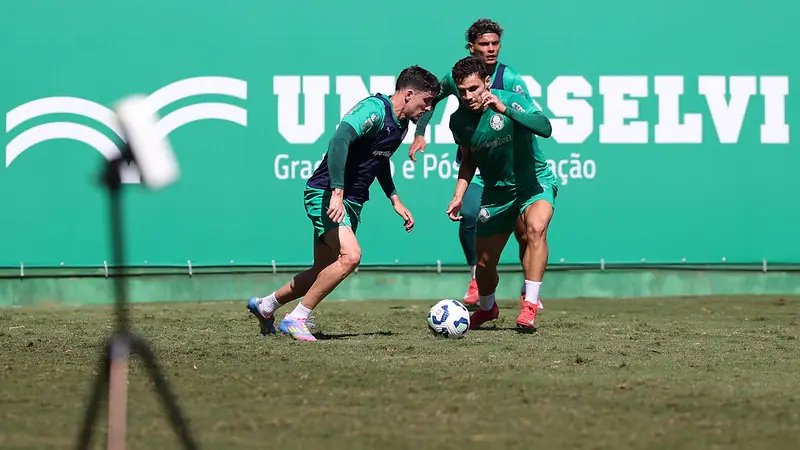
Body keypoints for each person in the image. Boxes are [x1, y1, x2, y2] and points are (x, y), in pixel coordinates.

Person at [247, 65, 441, 341]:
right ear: (409, 94)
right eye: (427, 101)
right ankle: (297, 318)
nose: (429, 108)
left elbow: (380, 160)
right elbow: (339, 140)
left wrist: (394, 199)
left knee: (321, 271)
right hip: (326, 194)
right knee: (351, 256)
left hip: (352, 201)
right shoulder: (374, 109)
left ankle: (266, 306)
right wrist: (337, 193)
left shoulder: (402, 125)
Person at [408, 18, 537, 307]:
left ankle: (528, 290)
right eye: (484, 44)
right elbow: (430, 100)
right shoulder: (458, 78)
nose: (491, 49)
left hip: (511, 169)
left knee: (525, 230)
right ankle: (476, 278)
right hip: (477, 165)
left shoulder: (512, 81)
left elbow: (529, 119)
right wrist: (420, 133)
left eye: (495, 43)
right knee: (468, 214)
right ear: (471, 47)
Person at [444, 56, 556, 331]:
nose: (468, 96)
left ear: (486, 82)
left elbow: (545, 127)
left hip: (534, 183)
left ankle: (529, 305)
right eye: (462, 91)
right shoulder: (458, 121)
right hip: (496, 193)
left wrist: (504, 109)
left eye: (473, 88)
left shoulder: (512, 100)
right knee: (484, 264)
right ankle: (487, 308)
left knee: (535, 229)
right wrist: (458, 195)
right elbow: (469, 160)